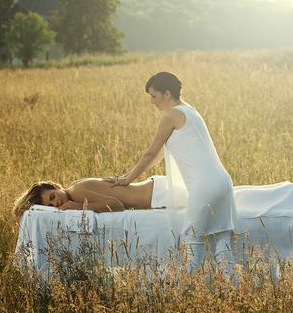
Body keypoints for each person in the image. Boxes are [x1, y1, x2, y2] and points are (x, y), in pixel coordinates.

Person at [103, 72, 236, 277]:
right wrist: (127, 176)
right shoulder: (190, 110)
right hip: (223, 183)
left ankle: (182, 292)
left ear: (167, 94)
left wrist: (126, 180)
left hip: (205, 186)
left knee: (193, 241)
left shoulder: (170, 115)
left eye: (154, 96)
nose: (152, 102)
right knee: (221, 239)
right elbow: (159, 155)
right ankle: (233, 292)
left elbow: (150, 152)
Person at [12, 176, 173, 222]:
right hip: (155, 190)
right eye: (51, 205)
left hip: (159, 194)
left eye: (52, 196)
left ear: (56, 186)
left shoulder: (77, 192)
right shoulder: (75, 188)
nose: (56, 203)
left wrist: (78, 206)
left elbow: (116, 205)